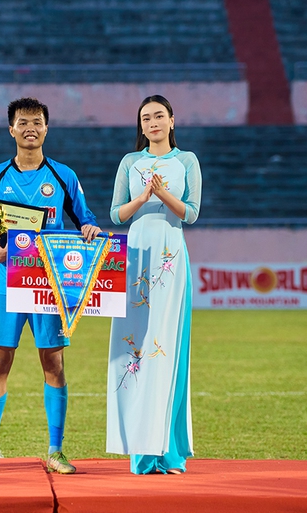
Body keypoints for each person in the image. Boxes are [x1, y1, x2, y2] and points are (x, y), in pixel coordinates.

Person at [0, 97, 101, 474]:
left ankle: (56, 450)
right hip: (7, 284)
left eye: (38, 122)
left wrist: (90, 229)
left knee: (54, 362)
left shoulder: (63, 175)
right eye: (23, 122)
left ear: (47, 128)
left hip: (51, 286)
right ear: (11, 129)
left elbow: (85, 219)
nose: (31, 128)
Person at [106, 94, 202, 474]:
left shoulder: (186, 161)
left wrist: (163, 194)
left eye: (159, 116)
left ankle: (169, 451)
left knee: (168, 350)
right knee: (135, 352)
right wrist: (144, 196)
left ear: (172, 121)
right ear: (141, 126)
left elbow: (191, 214)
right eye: (146, 118)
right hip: (135, 257)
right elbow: (116, 213)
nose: (153, 122)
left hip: (171, 256)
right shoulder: (131, 163)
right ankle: (140, 450)